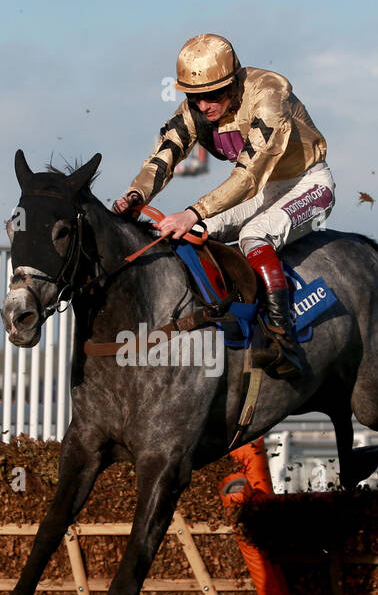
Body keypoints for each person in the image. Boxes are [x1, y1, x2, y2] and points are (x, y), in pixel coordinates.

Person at [113, 34, 334, 380]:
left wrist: (193, 211)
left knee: (253, 235)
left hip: (307, 183)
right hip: (262, 190)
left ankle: (282, 338)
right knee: (192, 234)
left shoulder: (269, 94)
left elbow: (247, 177)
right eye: (195, 97)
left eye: (213, 95)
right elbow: (164, 156)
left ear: (233, 82)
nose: (203, 107)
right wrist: (137, 195)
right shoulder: (197, 109)